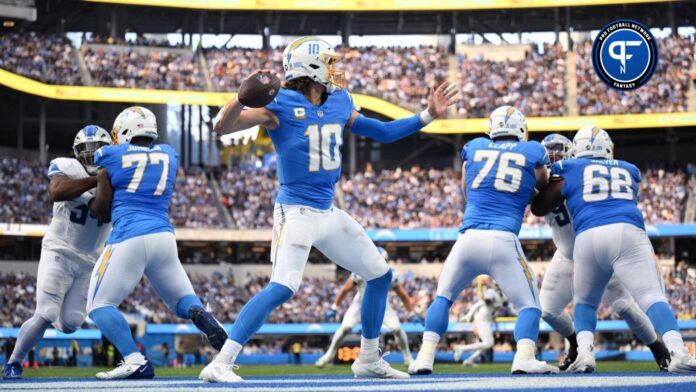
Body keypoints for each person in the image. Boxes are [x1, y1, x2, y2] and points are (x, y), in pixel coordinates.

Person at [200, 36, 457, 383]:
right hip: (295, 211)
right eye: (329, 62)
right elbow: (222, 127)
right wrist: (237, 99)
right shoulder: (280, 104)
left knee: (380, 276)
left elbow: (382, 131)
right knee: (283, 286)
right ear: (312, 67)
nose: (335, 69)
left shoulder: (339, 102)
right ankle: (221, 362)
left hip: (327, 210)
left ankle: (367, 358)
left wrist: (426, 116)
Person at [532, 126, 696, 373]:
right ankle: (578, 345)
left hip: (588, 242)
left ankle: (655, 348)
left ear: (575, 151)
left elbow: (539, 205)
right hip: (577, 250)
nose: (554, 158)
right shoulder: (624, 167)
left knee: (613, 303)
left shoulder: (569, 170)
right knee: (549, 309)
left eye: (558, 154)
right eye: (549, 156)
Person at [409, 106, 558, 375]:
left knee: (443, 298)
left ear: (492, 129)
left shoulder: (475, 147)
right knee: (530, 305)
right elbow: (542, 184)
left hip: (468, 238)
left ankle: (424, 357)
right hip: (502, 239)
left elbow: (467, 189)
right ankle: (523, 357)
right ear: (520, 131)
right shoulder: (533, 150)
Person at [86, 106, 228, 380]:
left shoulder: (110, 155)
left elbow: (101, 208)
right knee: (183, 302)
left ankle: (134, 358)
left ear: (125, 132)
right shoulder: (169, 155)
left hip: (129, 236)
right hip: (163, 236)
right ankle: (201, 314)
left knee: (99, 306)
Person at [3, 126, 112, 380]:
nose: (92, 155)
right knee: (46, 312)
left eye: (97, 149)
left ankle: (50, 317)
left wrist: (106, 178)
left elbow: (101, 211)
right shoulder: (66, 166)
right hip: (59, 250)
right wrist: (98, 179)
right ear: (76, 153)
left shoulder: (116, 176)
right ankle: (14, 362)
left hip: (89, 260)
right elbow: (57, 192)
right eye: (86, 150)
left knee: (72, 323)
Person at [316, 248, 420, 368]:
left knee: (396, 328)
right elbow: (345, 289)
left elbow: (403, 295)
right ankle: (329, 354)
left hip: (381, 304)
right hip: (359, 303)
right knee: (346, 328)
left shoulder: (391, 274)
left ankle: (408, 357)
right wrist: (334, 307)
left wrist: (411, 313)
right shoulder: (360, 272)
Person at [453, 288, 502, 366]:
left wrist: (496, 327)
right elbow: (476, 305)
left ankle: (470, 359)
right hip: (481, 321)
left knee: (487, 344)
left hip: (486, 322)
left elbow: (493, 314)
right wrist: (468, 316)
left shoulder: (497, 299)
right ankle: (462, 349)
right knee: (488, 343)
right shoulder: (491, 296)